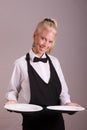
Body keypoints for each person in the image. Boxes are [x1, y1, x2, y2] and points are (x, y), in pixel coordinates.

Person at [5, 18, 80, 130]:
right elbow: (12, 91)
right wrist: (12, 101)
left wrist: (68, 104)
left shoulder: (55, 62)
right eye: (43, 38)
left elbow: (63, 92)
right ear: (34, 36)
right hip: (33, 124)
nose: (45, 44)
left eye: (50, 41)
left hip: (56, 124)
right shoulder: (20, 63)